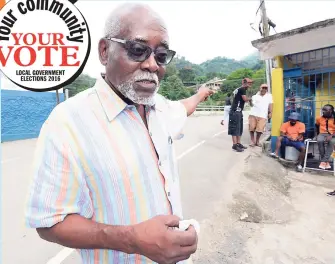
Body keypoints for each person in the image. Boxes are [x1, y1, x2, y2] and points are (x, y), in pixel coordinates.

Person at [24, 3, 213, 264]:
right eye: (138, 50)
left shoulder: (161, 108)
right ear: (104, 51)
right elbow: (49, 222)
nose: (151, 65)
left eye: (161, 55)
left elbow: (184, 108)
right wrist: (130, 239)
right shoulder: (68, 122)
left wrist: (202, 93)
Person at [228, 78, 253, 152]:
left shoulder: (239, 89)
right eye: (249, 83)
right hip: (235, 111)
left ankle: (238, 143)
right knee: (235, 128)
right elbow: (245, 99)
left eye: (251, 83)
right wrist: (251, 99)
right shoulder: (242, 89)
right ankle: (234, 145)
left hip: (238, 111)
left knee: (239, 128)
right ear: (244, 83)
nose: (250, 84)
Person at [315, 104, 335, 170]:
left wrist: (331, 135)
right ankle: (325, 162)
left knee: (332, 141)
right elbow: (317, 126)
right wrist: (317, 135)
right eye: (323, 110)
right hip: (322, 134)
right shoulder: (319, 118)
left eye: (325, 110)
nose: (323, 111)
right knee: (319, 140)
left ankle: (323, 161)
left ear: (331, 111)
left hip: (333, 134)